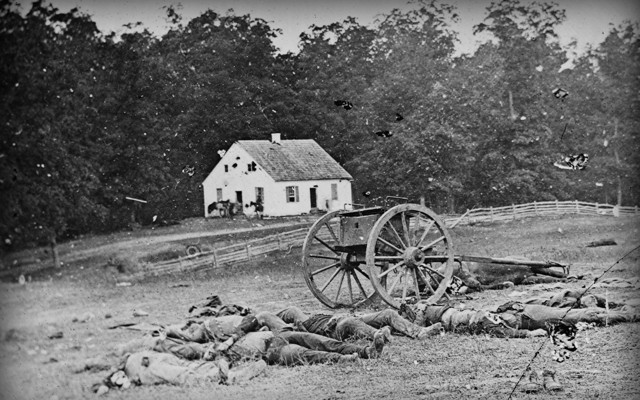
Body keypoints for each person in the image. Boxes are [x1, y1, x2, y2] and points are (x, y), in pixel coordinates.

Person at [276, 306, 443, 341]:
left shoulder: (303, 315)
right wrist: (297, 327)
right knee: (349, 322)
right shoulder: (299, 327)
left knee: (388, 313)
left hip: (342, 318)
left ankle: (418, 331)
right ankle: (380, 336)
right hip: (335, 329)